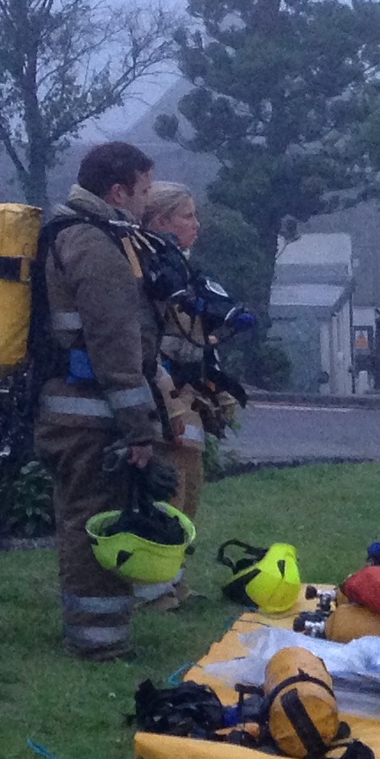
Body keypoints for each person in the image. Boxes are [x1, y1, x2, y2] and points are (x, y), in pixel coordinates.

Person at [37, 141, 170, 659]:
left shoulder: (65, 233)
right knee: (96, 524)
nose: (145, 203)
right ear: (117, 191)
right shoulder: (95, 245)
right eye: (142, 192)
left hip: (66, 408)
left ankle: (89, 633)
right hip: (91, 415)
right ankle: (100, 645)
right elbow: (117, 348)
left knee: (78, 520)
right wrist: (139, 428)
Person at [134, 182, 214, 609]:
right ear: (162, 221)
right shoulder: (148, 270)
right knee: (166, 494)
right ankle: (152, 591)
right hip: (165, 398)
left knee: (189, 492)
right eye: (187, 215)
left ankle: (176, 583)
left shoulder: (180, 267)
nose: (196, 224)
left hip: (190, 396)